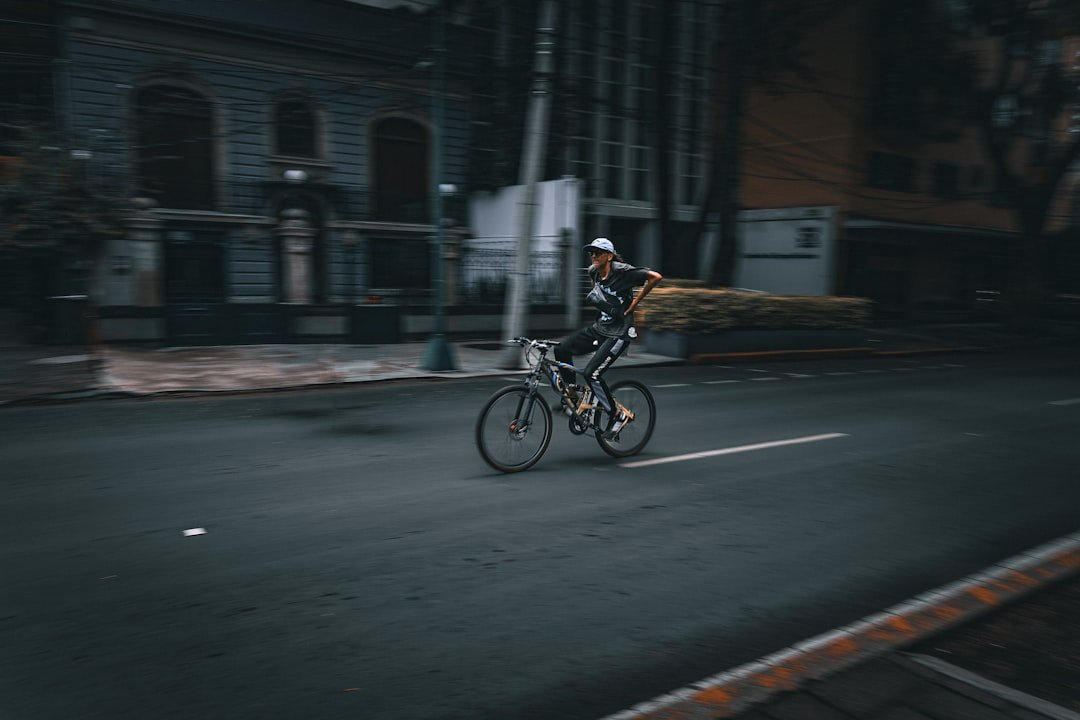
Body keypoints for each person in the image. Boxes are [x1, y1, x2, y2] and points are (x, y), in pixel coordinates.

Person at [554, 237, 663, 438]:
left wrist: (635, 304)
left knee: (591, 374)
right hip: (600, 328)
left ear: (609, 256)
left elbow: (656, 277)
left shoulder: (623, 271)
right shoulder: (593, 271)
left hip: (620, 332)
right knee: (561, 349)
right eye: (591, 252)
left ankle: (618, 415)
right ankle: (573, 395)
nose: (593, 256)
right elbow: (598, 290)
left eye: (598, 252)